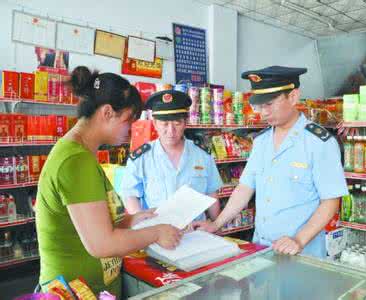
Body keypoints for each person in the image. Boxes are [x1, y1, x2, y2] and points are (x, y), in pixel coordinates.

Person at [36, 66, 182, 296]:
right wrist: (156, 232)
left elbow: (92, 223)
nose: (131, 129)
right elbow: (101, 244)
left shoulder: (82, 153)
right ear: (106, 113)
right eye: (127, 120)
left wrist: (131, 220)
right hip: (76, 292)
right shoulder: (76, 160)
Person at [194, 66, 348, 257]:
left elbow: (331, 201)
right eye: (259, 106)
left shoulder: (319, 142)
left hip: (301, 252)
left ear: (293, 97)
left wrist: (299, 240)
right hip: (261, 247)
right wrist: (216, 224)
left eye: (269, 104)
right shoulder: (261, 141)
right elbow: (244, 188)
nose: (262, 112)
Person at [121, 90, 222, 222]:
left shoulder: (202, 155)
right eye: (165, 124)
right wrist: (143, 224)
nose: (170, 131)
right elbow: (130, 195)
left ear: (185, 123)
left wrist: (216, 226)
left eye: (176, 123)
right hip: (157, 234)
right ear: (155, 124)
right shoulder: (141, 158)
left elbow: (211, 193)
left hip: (195, 233)